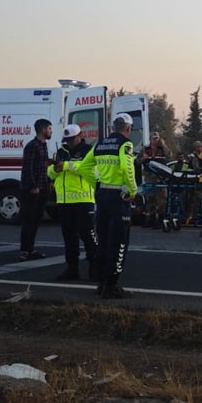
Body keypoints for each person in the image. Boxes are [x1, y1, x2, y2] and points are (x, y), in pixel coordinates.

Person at [63, 113, 139, 297]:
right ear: (128, 128)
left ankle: (102, 282)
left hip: (102, 195)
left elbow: (83, 167)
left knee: (103, 241)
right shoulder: (125, 144)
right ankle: (111, 286)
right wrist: (133, 190)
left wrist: (96, 184)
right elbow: (127, 167)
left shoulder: (100, 144)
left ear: (113, 126)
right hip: (119, 197)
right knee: (119, 241)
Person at [48, 124, 98, 282]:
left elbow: (89, 169)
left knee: (88, 237)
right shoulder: (61, 151)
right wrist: (54, 170)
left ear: (80, 135)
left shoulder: (88, 150)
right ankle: (72, 269)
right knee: (69, 238)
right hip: (64, 201)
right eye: (67, 140)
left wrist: (67, 166)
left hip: (83, 199)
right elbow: (49, 171)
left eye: (72, 139)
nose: (69, 143)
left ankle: (96, 269)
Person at [18, 118, 52, 261]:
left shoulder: (44, 146)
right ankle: (24, 250)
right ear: (43, 129)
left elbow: (44, 168)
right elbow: (28, 168)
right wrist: (34, 186)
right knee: (29, 220)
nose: (51, 131)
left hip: (43, 188)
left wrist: (48, 182)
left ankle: (31, 249)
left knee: (36, 220)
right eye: (49, 128)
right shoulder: (32, 146)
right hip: (33, 190)